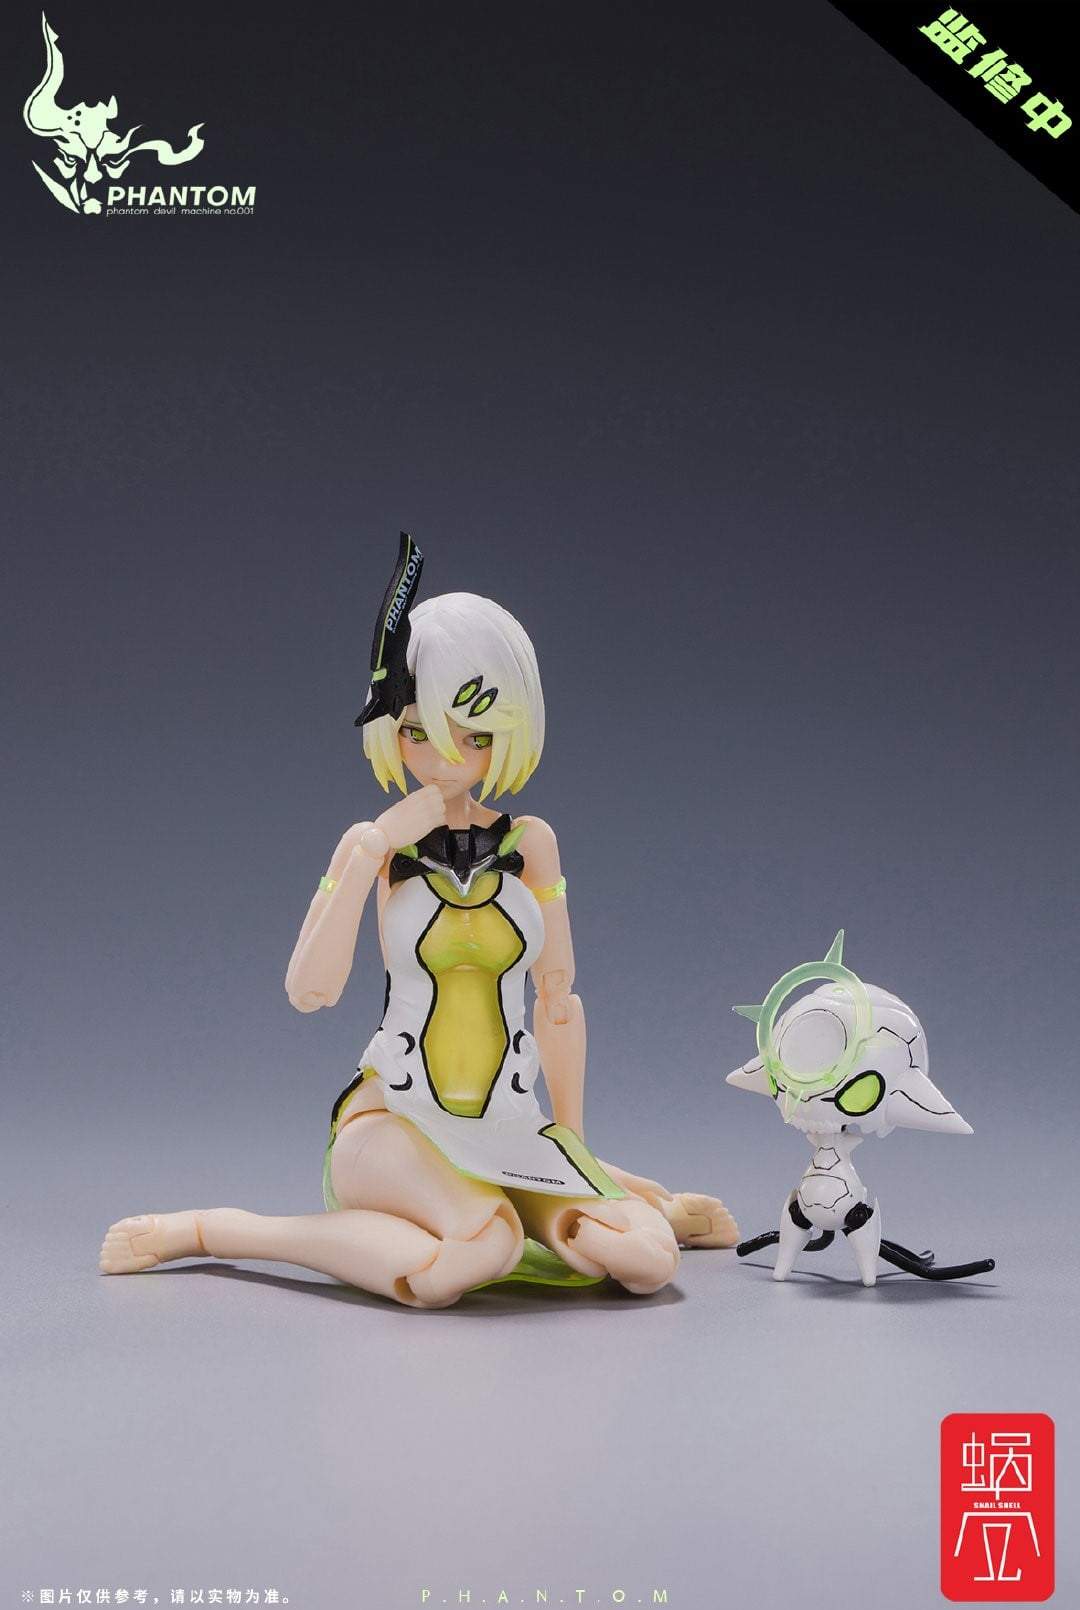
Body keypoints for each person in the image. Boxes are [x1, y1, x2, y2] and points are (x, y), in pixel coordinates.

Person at [100, 536, 737, 1307]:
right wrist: (373, 846)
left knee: (644, 1259)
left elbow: (558, 1001)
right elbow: (309, 991)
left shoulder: (530, 845)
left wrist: (571, 1139)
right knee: (475, 1251)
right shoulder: (375, 848)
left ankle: (631, 1196)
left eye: (473, 735)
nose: (443, 757)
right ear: (390, 727)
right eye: (417, 730)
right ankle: (219, 1230)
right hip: (394, 1124)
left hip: (509, 1123)